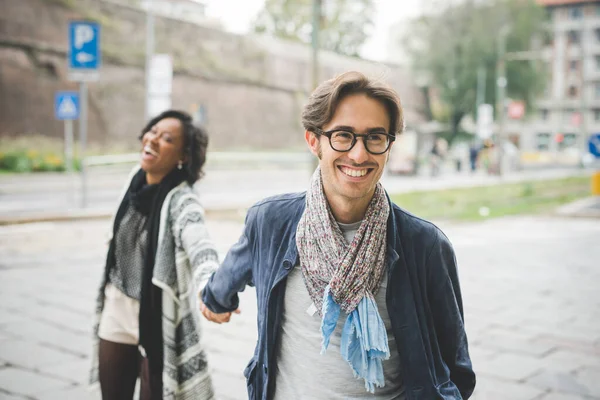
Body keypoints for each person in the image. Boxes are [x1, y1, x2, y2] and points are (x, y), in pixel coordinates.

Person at [201, 72, 476, 399]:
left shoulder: (425, 246)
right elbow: (225, 280)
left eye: (375, 137)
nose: (359, 155)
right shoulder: (271, 222)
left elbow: (455, 368)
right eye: (343, 135)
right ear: (313, 141)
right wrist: (215, 300)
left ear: (389, 145)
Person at [90, 110, 221, 400]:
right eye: (152, 131)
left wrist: (211, 284)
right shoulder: (134, 181)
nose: (153, 139)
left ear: (183, 156)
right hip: (118, 306)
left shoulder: (182, 198)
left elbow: (199, 241)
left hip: (158, 315)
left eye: (167, 138)